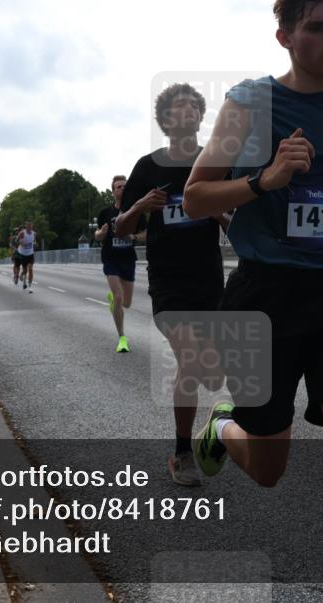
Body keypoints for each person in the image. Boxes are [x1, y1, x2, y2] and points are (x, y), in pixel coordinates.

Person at [182, 0, 323, 603]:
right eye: (318, 28)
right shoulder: (252, 105)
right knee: (271, 471)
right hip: (263, 298)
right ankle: (223, 428)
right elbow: (197, 197)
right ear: (286, 37)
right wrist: (267, 179)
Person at [114, 83, 230, 487]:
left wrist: (216, 211)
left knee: (206, 371)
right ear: (164, 121)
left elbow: (238, 224)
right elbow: (122, 229)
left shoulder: (213, 162)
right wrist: (141, 207)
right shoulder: (148, 166)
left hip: (209, 280)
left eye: (192, 107)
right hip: (168, 281)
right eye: (175, 108)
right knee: (192, 360)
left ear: (200, 117)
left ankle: (208, 424)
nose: (184, 113)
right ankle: (183, 453)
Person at [95, 175, 138, 353]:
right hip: (111, 258)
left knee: (126, 303)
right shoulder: (106, 213)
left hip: (128, 258)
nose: (122, 189)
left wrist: (134, 237)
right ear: (113, 191)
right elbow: (96, 235)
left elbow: (145, 233)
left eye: (124, 186)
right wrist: (102, 233)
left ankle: (114, 300)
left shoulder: (135, 210)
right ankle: (122, 338)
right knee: (119, 296)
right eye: (118, 187)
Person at [16, 222, 37, 292]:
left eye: (30, 226)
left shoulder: (34, 233)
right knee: (25, 270)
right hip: (23, 254)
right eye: (28, 226)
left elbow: (34, 241)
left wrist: (34, 243)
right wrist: (21, 242)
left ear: (32, 226)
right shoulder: (22, 233)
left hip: (30, 254)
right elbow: (16, 240)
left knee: (30, 269)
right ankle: (22, 275)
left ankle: (30, 286)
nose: (29, 228)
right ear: (26, 226)